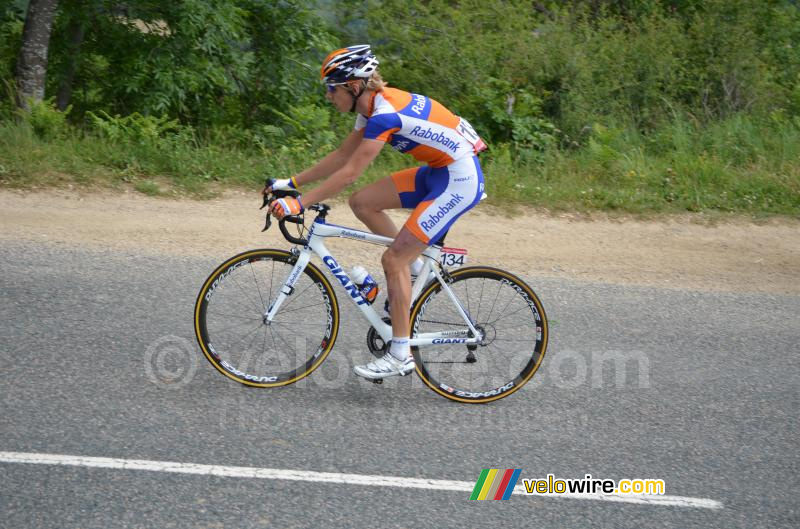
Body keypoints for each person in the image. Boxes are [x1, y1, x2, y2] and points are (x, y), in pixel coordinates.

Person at [265, 44, 487, 380]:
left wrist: (301, 202)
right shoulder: (370, 108)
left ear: (353, 87)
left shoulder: (384, 113)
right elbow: (342, 156)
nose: (328, 96)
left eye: (331, 88)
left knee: (392, 260)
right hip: (439, 171)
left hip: (458, 179)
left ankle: (400, 354)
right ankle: (412, 271)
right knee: (362, 202)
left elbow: (351, 171)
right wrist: (290, 182)